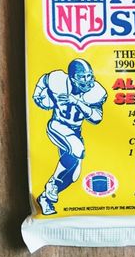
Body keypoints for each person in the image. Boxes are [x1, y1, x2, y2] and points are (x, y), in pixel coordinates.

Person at [33, 59, 107, 215]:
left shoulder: (96, 92)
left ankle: (45, 198)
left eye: (89, 75)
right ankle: (52, 184)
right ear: (72, 78)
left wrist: (77, 102)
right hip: (57, 125)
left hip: (75, 131)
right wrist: (38, 94)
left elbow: (97, 118)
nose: (87, 80)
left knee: (73, 175)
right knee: (77, 149)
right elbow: (45, 79)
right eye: (82, 77)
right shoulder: (59, 80)